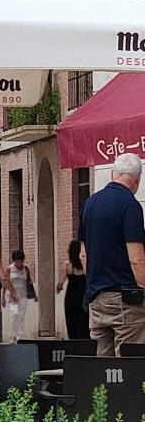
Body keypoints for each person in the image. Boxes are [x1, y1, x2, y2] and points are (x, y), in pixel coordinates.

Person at [79, 152, 145, 356]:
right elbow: (136, 259)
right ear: (137, 179)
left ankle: (99, 389)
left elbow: (83, 255)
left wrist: (92, 286)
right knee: (129, 365)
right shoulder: (130, 205)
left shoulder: (89, 204)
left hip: (96, 297)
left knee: (102, 367)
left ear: (112, 174)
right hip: (126, 298)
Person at [56, 237, 89, 341]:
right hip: (84, 294)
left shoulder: (67, 265)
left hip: (71, 295)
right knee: (84, 318)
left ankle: (74, 341)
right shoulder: (85, 264)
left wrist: (58, 287)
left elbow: (60, 283)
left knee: (71, 318)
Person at [6, 249, 35, 342]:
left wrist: (34, 294)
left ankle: (20, 336)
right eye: (17, 261)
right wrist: (3, 297)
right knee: (14, 314)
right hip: (12, 295)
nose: (19, 263)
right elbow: (5, 282)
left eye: (21, 261)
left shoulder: (26, 268)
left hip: (23, 295)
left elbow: (29, 281)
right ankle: (12, 335)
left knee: (21, 316)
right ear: (14, 260)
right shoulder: (9, 269)